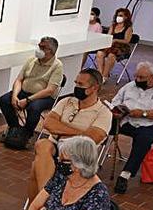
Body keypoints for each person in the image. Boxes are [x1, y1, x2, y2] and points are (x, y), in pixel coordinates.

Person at [26, 69, 112, 202]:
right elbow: (48, 123)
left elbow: (93, 138)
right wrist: (81, 132)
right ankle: (45, 200)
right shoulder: (67, 101)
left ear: (95, 88)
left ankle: (38, 205)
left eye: (81, 85)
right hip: (55, 146)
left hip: (78, 154)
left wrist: (60, 129)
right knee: (42, 144)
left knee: (35, 168)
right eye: (76, 83)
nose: (76, 87)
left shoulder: (103, 112)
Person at [110, 62, 153, 193]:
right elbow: (115, 102)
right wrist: (117, 111)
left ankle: (125, 175)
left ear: (152, 78)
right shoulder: (130, 86)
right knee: (102, 124)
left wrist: (144, 113)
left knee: (144, 140)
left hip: (150, 124)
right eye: (136, 76)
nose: (137, 80)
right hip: (126, 121)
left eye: (141, 78)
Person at [0, 36, 63, 139]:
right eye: (39, 46)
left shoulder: (57, 66)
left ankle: (26, 133)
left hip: (44, 97)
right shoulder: (31, 60)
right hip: (25, 92)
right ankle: (14, 128)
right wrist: (14, 96)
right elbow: (19, 79)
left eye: (42, 47)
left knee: (34, 107)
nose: (39, 49)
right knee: (4, 100)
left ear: (50, 50)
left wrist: (27, 100)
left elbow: (49, 90)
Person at [94, 8, 133, 83]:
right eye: (117, 15)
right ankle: (100, 74)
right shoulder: (113, 25)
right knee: (99, 53)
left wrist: (116, 40)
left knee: (111, 56)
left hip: (122, 47)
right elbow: (108, 36)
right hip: (110, 45)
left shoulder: (128, 28)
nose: (118, 17)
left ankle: (105, 76)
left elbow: (127, 41)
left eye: (121, 15)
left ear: (126, 17)